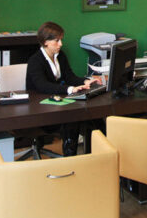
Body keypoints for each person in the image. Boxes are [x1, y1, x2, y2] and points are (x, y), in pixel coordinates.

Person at [26, 21, 100, 156]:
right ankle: (70, 158)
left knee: (90, 116)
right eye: (57, 41)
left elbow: (70, 77)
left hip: (57, 103)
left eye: (61, 40)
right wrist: (70, 89)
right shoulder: (35, 61)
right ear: (45, 42)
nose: (60, 44)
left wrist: (86, 81)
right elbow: (42, 86)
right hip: (40, 109)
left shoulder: (60, 55)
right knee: (71, 117)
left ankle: (96, 155)